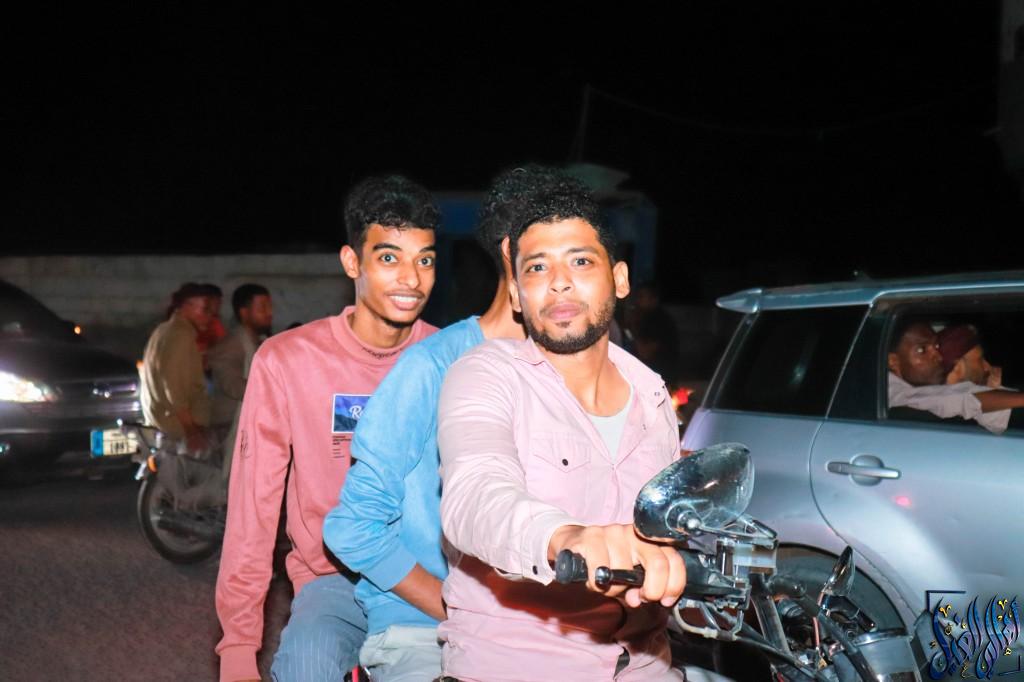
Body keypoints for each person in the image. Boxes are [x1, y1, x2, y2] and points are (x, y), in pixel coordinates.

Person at [323, 167, 570, 681]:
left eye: (583, 260)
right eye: (553, 259)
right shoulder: (433, 367)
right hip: (423, 632)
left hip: (542, 634)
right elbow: (353, 528)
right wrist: (457, 610)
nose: (568, 280)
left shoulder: (572, 373)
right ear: (513, 256)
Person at [436, 179, 688, 680]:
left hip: (647, 662)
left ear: (619, 279)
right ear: (516, 294)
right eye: (537, 267)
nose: (558, 282)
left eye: (580, 261)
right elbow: (476, 494)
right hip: (519, 663)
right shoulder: (484, 374)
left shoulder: (653, 393)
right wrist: (564, 536)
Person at [215, 175, 441, 682]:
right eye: (389, 257)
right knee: (306, 666)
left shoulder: (446, 358)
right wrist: (238, 645)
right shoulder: (288, 360)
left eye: (424, 260)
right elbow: (254, 507)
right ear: (352, 262)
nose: (411, 278)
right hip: (333, 581)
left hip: (423, 582)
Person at [887, 321, 1024, 434]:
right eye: (921, 350)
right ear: (893, 361)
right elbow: (957, 399)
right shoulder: (892, 394)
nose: (938, 357)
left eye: (936, 346)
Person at [208, 283, 273, 480]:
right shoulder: (232, 345)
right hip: (230, 427)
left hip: (247, 426)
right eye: (262, 308)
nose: (269, 313)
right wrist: (273, 392)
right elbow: (232, 385)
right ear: (244, 313)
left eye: (270, 307)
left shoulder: (258, 342)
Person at [140, 282, 213, 453]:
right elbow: (173, 387)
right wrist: (191, 430)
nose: (209, 316)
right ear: (186, 307)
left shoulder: (162, 330)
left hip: (163, 427)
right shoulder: (181, 335)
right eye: (205, 309)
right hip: (180, 433)